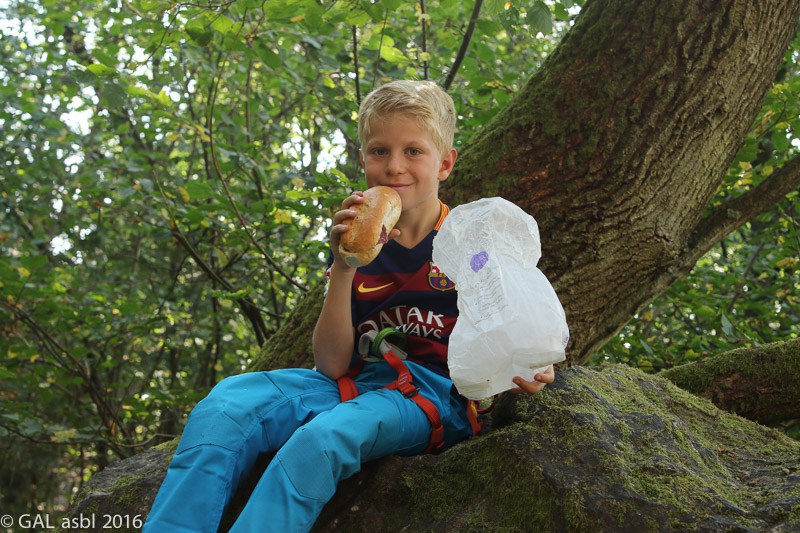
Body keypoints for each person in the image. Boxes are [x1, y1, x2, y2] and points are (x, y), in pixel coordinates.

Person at [144, 80, 555, 533]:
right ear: (363, 160)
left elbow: (519, 327)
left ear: (445, 163)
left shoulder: (473, 244)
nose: (394, 166)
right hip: (354, 384)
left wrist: (531, 364)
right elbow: (331, 364)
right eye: (380, 151)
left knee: (320, 441)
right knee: (225, 406)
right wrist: (342, 267)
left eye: (413, 151)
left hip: (434, 397)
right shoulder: (359, 240)